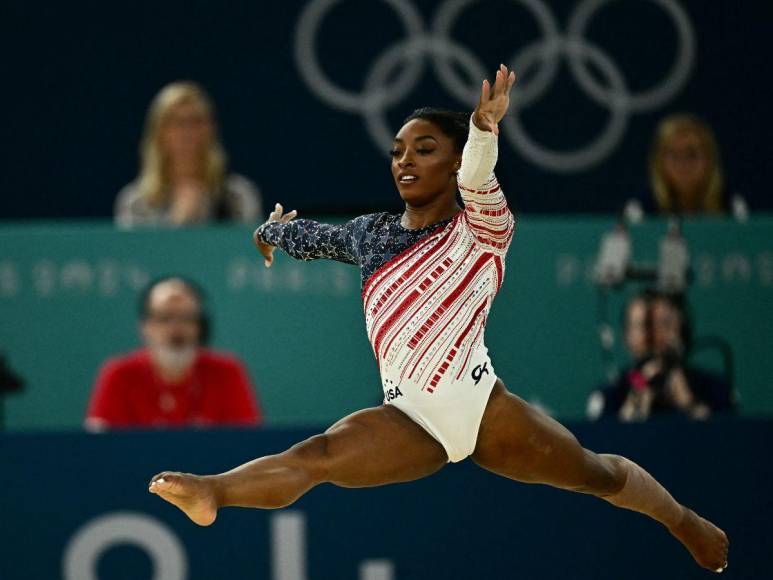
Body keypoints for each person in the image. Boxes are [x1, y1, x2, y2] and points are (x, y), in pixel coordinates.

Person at [148, 66, 728, 574]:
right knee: (318, 457)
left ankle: (682, 520)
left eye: (424, 149)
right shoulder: (372, 233)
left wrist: (482, 129)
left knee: (597, 475)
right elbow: (314, 237)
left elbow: (479, 174)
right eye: (398, 150)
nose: (405, 160)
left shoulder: (481, 230)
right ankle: (212, 492)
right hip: (407, 417)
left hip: (483, 407)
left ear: (454, 164)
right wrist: (271, 231)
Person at [85, 276, 262, 430]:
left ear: (200, 326)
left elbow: (247, 445)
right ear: (145, 326)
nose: (176, 328)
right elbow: (99, 446)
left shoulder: (227, 371)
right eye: (165, 317)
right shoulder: (118, 374)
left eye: (186, 318)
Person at [115, 81, 262, 227]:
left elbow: (248, 248)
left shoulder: (238, 197)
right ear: (158, 133)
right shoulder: (135, 203)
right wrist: (177, 220)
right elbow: (134, 250)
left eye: (196, 122)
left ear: (211, 130)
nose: (187, 133)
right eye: (176, 123)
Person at [588, 290, 735, 422]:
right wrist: (632, 406)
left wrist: (690, 404)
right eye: (642, 326)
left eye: (664, 324)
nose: (654, 336)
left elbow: (729, 438)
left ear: (682, 330)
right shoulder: (610, 395)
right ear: (626, 336)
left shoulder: (715, 389)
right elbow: (601, 444)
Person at [623, 113, 747, 221]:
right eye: (674, 155)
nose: (683, 163)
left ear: (710, 159)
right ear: (659, 162)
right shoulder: (639, 209)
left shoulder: (733, 206)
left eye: (691, 154)